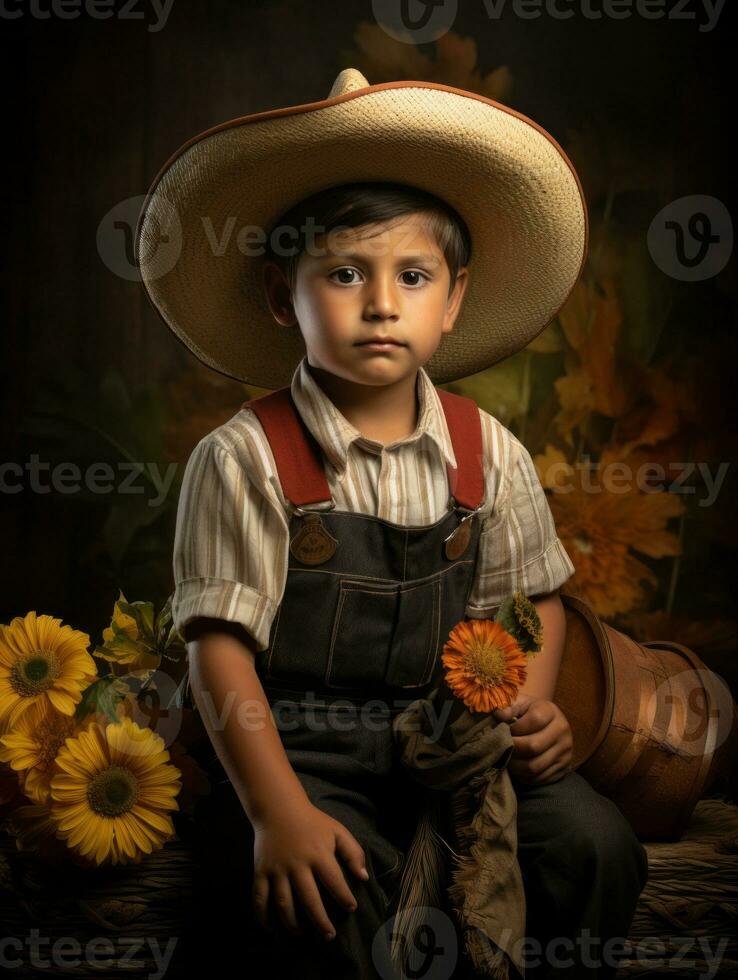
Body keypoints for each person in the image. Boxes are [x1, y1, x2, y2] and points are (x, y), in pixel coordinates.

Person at [136, 68, 649, 979]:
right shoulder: (245, 457)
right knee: (327, 896)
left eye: (412, 276)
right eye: (342, 274)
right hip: (303, 749)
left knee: (592, 847)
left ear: (451, 300)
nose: (380, 302)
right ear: (278, 294)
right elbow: (218, 652)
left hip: (453, 741)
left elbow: (533, 604)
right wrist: (276, 813)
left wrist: (527, 702)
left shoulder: (486, 450)